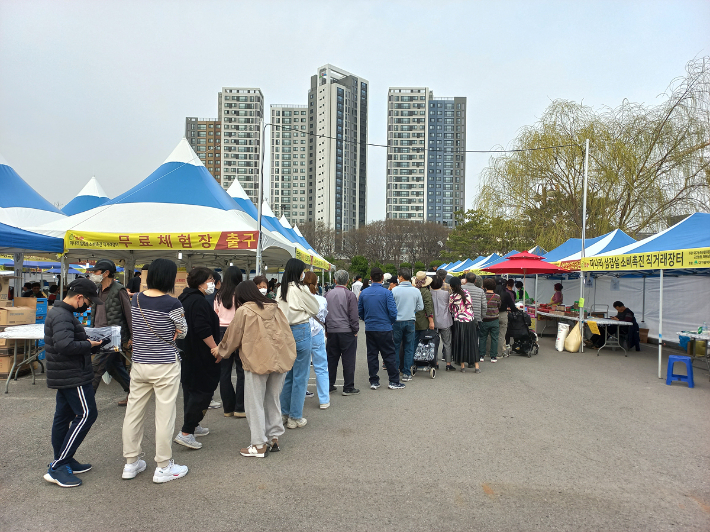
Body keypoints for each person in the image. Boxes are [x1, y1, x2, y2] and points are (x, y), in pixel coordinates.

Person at [121, 259, 189, 483]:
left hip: (140, 363)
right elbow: (184, 331)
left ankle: (131, 463)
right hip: (165, 365)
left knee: (133, 413)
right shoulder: (173, 303)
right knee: (165, 415)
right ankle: (163, 466)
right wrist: (175, 332)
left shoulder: (136, 299)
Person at [215, 281, 296, 457]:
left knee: (254, 403)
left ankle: (259, 444)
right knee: (273, 399)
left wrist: (221, 351)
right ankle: (274, 437)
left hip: (256, 360)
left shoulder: (244, 311)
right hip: (280, 359)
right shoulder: (275, 307)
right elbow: (287, 333)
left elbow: (233, 336)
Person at [43, 278, 103, 488]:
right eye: (88, 301)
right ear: (79, 297)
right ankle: (58, 465)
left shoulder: (61, 313)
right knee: (87, 414)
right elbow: (65, 345)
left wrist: (91, 346)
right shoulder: (62, 316)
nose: (88, 305)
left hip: (67, 373)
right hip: (72, 374)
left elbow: (66, 343)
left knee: (63, 417)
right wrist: (88, 344)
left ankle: (64, 459)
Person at [174, 267, 221, 450]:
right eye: (209, 279)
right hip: (201, 353)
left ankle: (193, 424)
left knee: (190, 389)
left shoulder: (183, 298)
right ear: (201, 281)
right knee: (203, 391)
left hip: (186, 351)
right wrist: (214, 348)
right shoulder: (198, 302)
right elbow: (202, 329)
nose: (212, 283)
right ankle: (186, 432)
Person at [277, 259, 320, 429]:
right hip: (301, 330)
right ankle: (295, 417)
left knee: (287, 375)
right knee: (300, 376)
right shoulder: (301, 289)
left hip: (285, 331)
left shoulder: (281, 289)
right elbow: (315, 308)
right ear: (298, 272)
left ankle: (283, 413)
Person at [87, 259, 132, 406]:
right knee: (113, 367)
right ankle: (133, 393)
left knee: (96, 368)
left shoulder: (119, 290)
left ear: (106, 273)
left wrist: (132, 336)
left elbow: (129, 314)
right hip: (98, 334)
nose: (93, 274)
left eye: (96, 271)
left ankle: (85, 404)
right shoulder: (97, 290)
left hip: (112, 335)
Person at [358, 267, 404, 390]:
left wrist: (366, 319)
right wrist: (390, 322)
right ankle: (393, 380)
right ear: (383, 278)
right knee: (389, 354)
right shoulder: (387, 293)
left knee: (372, 354)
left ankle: (374, 380)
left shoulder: (364, 293)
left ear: (371, 278)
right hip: (385, 327)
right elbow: (393, 312)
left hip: (370, 327)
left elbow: (360, 311)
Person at [214, 266, 245, 418]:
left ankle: (228, 408)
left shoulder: (218, 295)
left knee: (224, 372)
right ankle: (240, 407)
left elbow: (216, 314)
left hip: (221, 332)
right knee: (241, 370)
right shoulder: (241, 295)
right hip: (239, 331)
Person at [325, 270, 360, 396]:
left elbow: (324, 313)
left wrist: (326, 329)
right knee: (348, 359)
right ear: (348, 281)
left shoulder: (327, 294)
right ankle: (348, 387)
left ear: (335, 280)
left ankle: (329, 384)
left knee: (331, 359)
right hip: (346, 330)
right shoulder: (350, 295)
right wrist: (355, 329)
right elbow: (354, 315)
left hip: (332, 330)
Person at [303, 271, 331, 407]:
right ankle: (324, 400)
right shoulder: (322, 299)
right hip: (318, 332)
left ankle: (300, 395)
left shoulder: (299, 298)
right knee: (321, 367)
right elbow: (324, 318)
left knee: (302, 366)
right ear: (316, 283)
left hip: (301, 332)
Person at [392, 268, 424, 382]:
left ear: (401, 277)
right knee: (409, 348)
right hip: (410, 321)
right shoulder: (416, 291)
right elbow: (421, 307)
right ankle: (406, 373)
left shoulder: (394, 290)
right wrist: (412, 310)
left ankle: (395, 372)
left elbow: (391, 307)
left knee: (395, 346)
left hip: (397, 321)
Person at [450, 277, 480, 373]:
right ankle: (476, 366)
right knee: (472, 342)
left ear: (452, 286)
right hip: (470, 320)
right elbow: (470, 305)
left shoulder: (452, 296)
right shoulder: (467, 292)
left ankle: (462, 366)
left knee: (461, 342)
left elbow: (451, 309)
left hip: (459, 321)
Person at [430, 276, 454, 371]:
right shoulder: (446, 294)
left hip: (433, 322)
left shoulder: (429, 294)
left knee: (434, 343)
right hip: (445, 320)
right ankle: (448, 364)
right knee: (447, 343)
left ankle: (435, 363)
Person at [463, 272, 487, 363]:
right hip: (476, 318)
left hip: (462, 318)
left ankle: (462, 359)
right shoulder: (480, 291)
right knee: (474, 340)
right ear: (475, 281)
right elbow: (484, 306)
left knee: (463, 339)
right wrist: (481, 316)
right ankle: (472, 360)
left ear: (465, 280)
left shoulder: (461, 289)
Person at [479, 278, 501, 362]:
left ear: (484, 286)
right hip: (494, 319)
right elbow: (499, 305)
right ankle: (493, 357)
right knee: (495, 338)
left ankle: (481, 355)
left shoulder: (482, 295)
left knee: (482, 337)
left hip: (484, 319)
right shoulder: (497, 296)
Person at [413, 271, 435, 345]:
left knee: (413, 342)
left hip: (413, 318)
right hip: (422, 321)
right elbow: (428, 307)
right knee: (422, 343)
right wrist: (431, 322)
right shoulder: (426, 292)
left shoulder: (413, 290)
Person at [498, 279, 517, 357]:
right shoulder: (506, 294)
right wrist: (516, 310)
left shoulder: (493, 293)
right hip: (503, 314)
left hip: (491, 315)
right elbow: (512, 306)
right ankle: (500, 353)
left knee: (490, 335)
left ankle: (488, 352)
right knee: (502, 334)